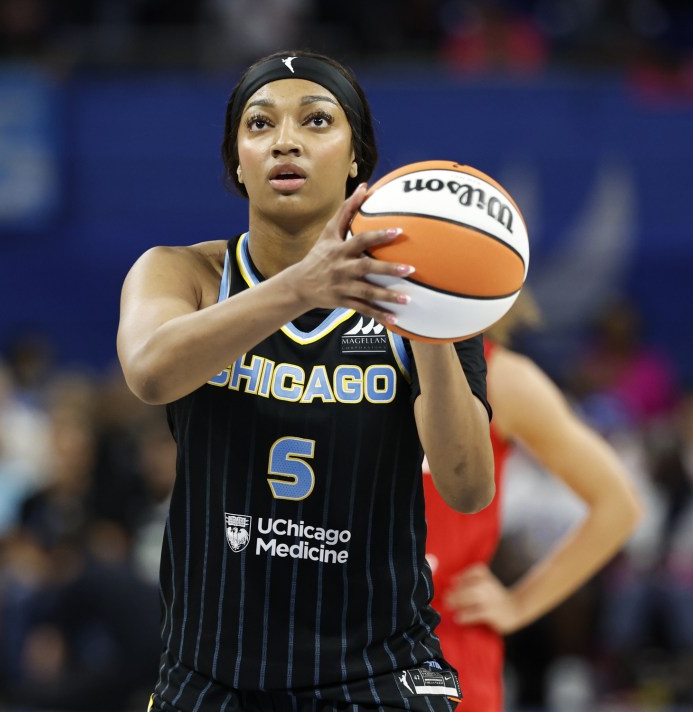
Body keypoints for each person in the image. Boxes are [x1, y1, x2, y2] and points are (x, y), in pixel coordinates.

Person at [116, 50, 495, 711]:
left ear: (356, 159)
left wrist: (427, 324)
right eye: (260, 124)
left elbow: (467, 488)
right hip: (211, 674)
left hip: (378, 673)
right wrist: (301, 287)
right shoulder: (185, 274)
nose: (284, 141)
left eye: (316, 120)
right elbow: (149, 371)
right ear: (238, 163)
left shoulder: (425, 296)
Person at [424, 292, 643, 711]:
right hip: (334, 635)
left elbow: (619, 504)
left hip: (443, 642)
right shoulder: (331, 366)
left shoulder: (501, 378)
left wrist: (518, 605)